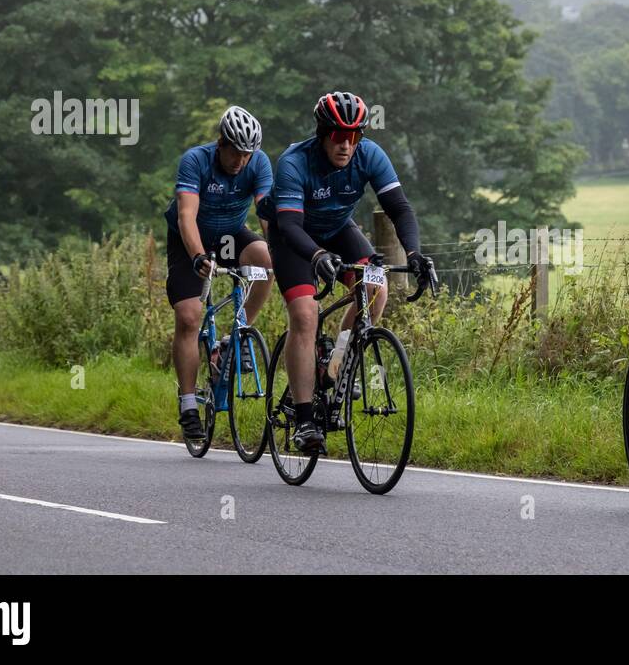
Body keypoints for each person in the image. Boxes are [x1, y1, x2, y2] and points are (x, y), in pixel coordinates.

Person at [259, 91, 433, 452]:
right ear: (323, 133)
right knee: (305, 315)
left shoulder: (370, 155)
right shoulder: (295, 161)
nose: (346, 145)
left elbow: (399, 208)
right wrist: (318, 255)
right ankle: (305, 420)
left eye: (354, 137)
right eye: (339, 136)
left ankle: (334, 366)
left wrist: (415, 253)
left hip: (337, 227)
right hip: (293, 234)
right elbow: (290, 227)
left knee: (375, 288)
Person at [164, 105, 274, 442]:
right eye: (235, 152)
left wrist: (287, 252)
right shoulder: (196, 161)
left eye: (247, 154)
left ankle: (237, 336)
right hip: (191, 237)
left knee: (269, 260)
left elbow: (267, 214)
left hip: (230, 233)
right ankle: (187, 404)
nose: (241, 161)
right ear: (221, 143)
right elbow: (186, 215)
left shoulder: (258, 162)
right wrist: (197, 256)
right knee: (189, 316)